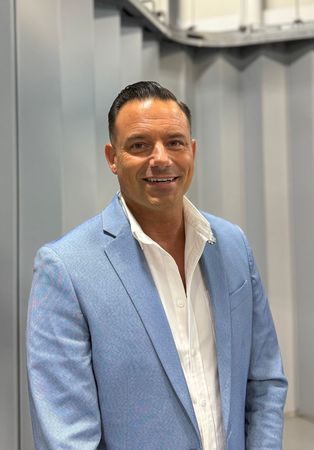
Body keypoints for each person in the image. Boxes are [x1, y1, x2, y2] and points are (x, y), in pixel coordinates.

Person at [27, 81, 287, 450]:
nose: (161, 158)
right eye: (139, 145)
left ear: (192, 151)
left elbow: (264, 382)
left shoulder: (231, 245)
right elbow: (66, 435)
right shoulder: (66, 269)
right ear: (112, 157)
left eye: (175, 142)